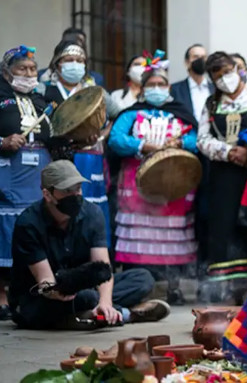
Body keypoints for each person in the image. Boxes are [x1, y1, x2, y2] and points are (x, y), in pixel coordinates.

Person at [8, 160, 170, 329]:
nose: (75, 195)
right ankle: (127, 314)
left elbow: (103, 269)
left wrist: (105, 302)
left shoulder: (92, 213)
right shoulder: (28, 224)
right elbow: (45, 284)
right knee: (87, 297)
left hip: (82, 286)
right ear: (47, 194)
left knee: (142, 278)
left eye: (77, 188)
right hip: (42, 296)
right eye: (67, 191)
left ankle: (99, 313)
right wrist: (64, 291)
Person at [108, 55, 199, 306]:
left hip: (173, 187)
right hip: (137, 187)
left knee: (172, 235)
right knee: (139, 235)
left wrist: (180, 142)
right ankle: (139, 286)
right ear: (143, 88)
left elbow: (196, 140)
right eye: (152, 85)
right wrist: (141, 145)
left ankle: (173, 286)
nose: (157, 89)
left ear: (169, 88)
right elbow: (115, 139)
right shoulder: (131, 114)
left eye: (162, 85)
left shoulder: (180, 114)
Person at [197, 52, 247, 303]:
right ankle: (227, 293)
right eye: (217, 76)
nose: (224, 79)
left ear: (237, 68)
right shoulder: (211, 103)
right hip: (222, 178)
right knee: (224, 228)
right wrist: (228, 151)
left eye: (227, 72)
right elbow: (202, 139)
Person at [40, 40, 113, 248]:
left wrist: (99, 136)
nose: (75, 64)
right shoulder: (44, 91)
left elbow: (119, 114)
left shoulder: (95, 92)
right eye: (69, 60)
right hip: (56, 159)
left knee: (90, 209)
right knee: (61, 208)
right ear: (57, 64)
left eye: (79, 60)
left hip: (89, 159)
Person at [0, 45, 52, 321]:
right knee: (7, 230)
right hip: (9, 171)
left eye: (33, 69)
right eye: (22, 69)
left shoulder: (41, 101)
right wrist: (3, 142)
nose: (29, 74)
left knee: (33, 226)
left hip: (37, 172)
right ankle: (2, 294)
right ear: (7, 73)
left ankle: (27, 290)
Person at [38, 27, 105, 87]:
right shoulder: (42, 77)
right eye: (70, 41)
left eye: (80, 41)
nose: (76, 44)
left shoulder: (96, 79)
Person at [170, 44, 213, 123]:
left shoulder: (215, 89)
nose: (200, 60)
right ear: (187, 62)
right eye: (196, 57)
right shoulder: (175, 90)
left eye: (203, 57)